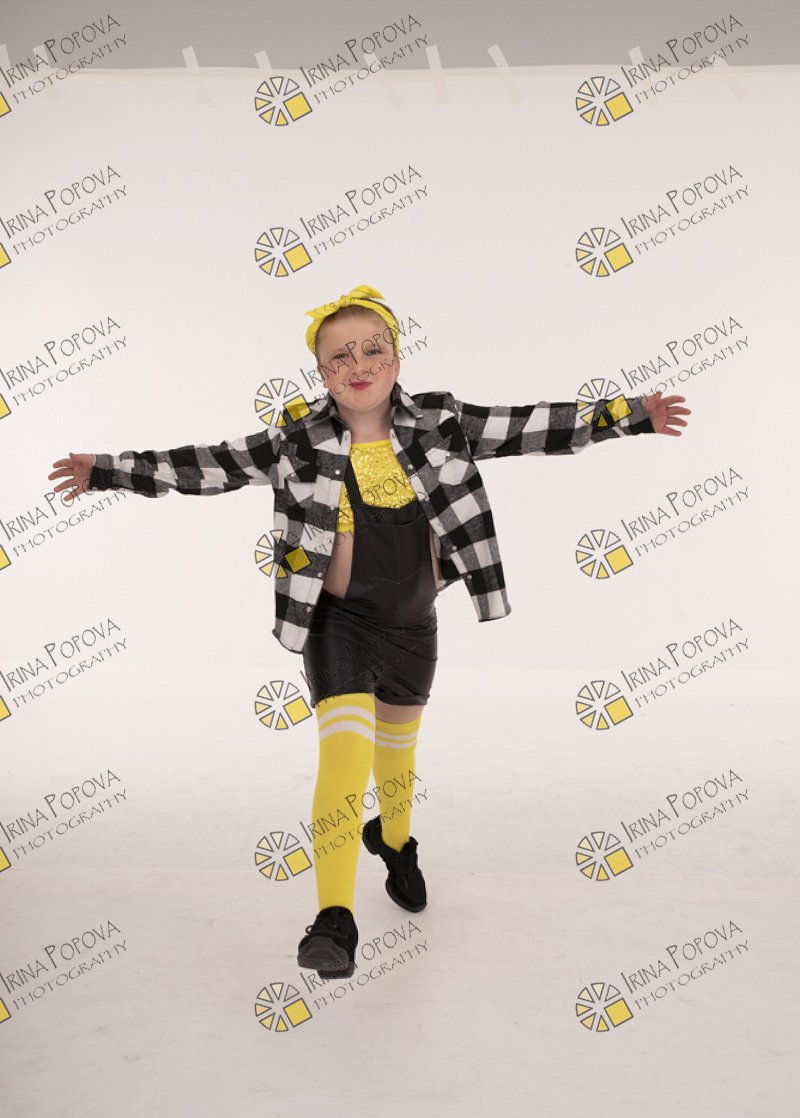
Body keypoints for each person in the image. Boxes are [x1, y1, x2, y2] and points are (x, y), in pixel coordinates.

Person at [48, 284, 692, 980]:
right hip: (337, 624)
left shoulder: (442, 422)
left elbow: (533, 426)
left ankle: (396, 842)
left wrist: (631, 416)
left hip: (414, 625)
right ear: (321, 371)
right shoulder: (297, 438)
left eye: (372, 350)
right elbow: (205, 464)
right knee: (345, 762)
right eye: (340, 356)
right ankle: (334, 918)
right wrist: (106, 470)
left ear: (396, 357)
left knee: (397, 763)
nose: (358, 365)